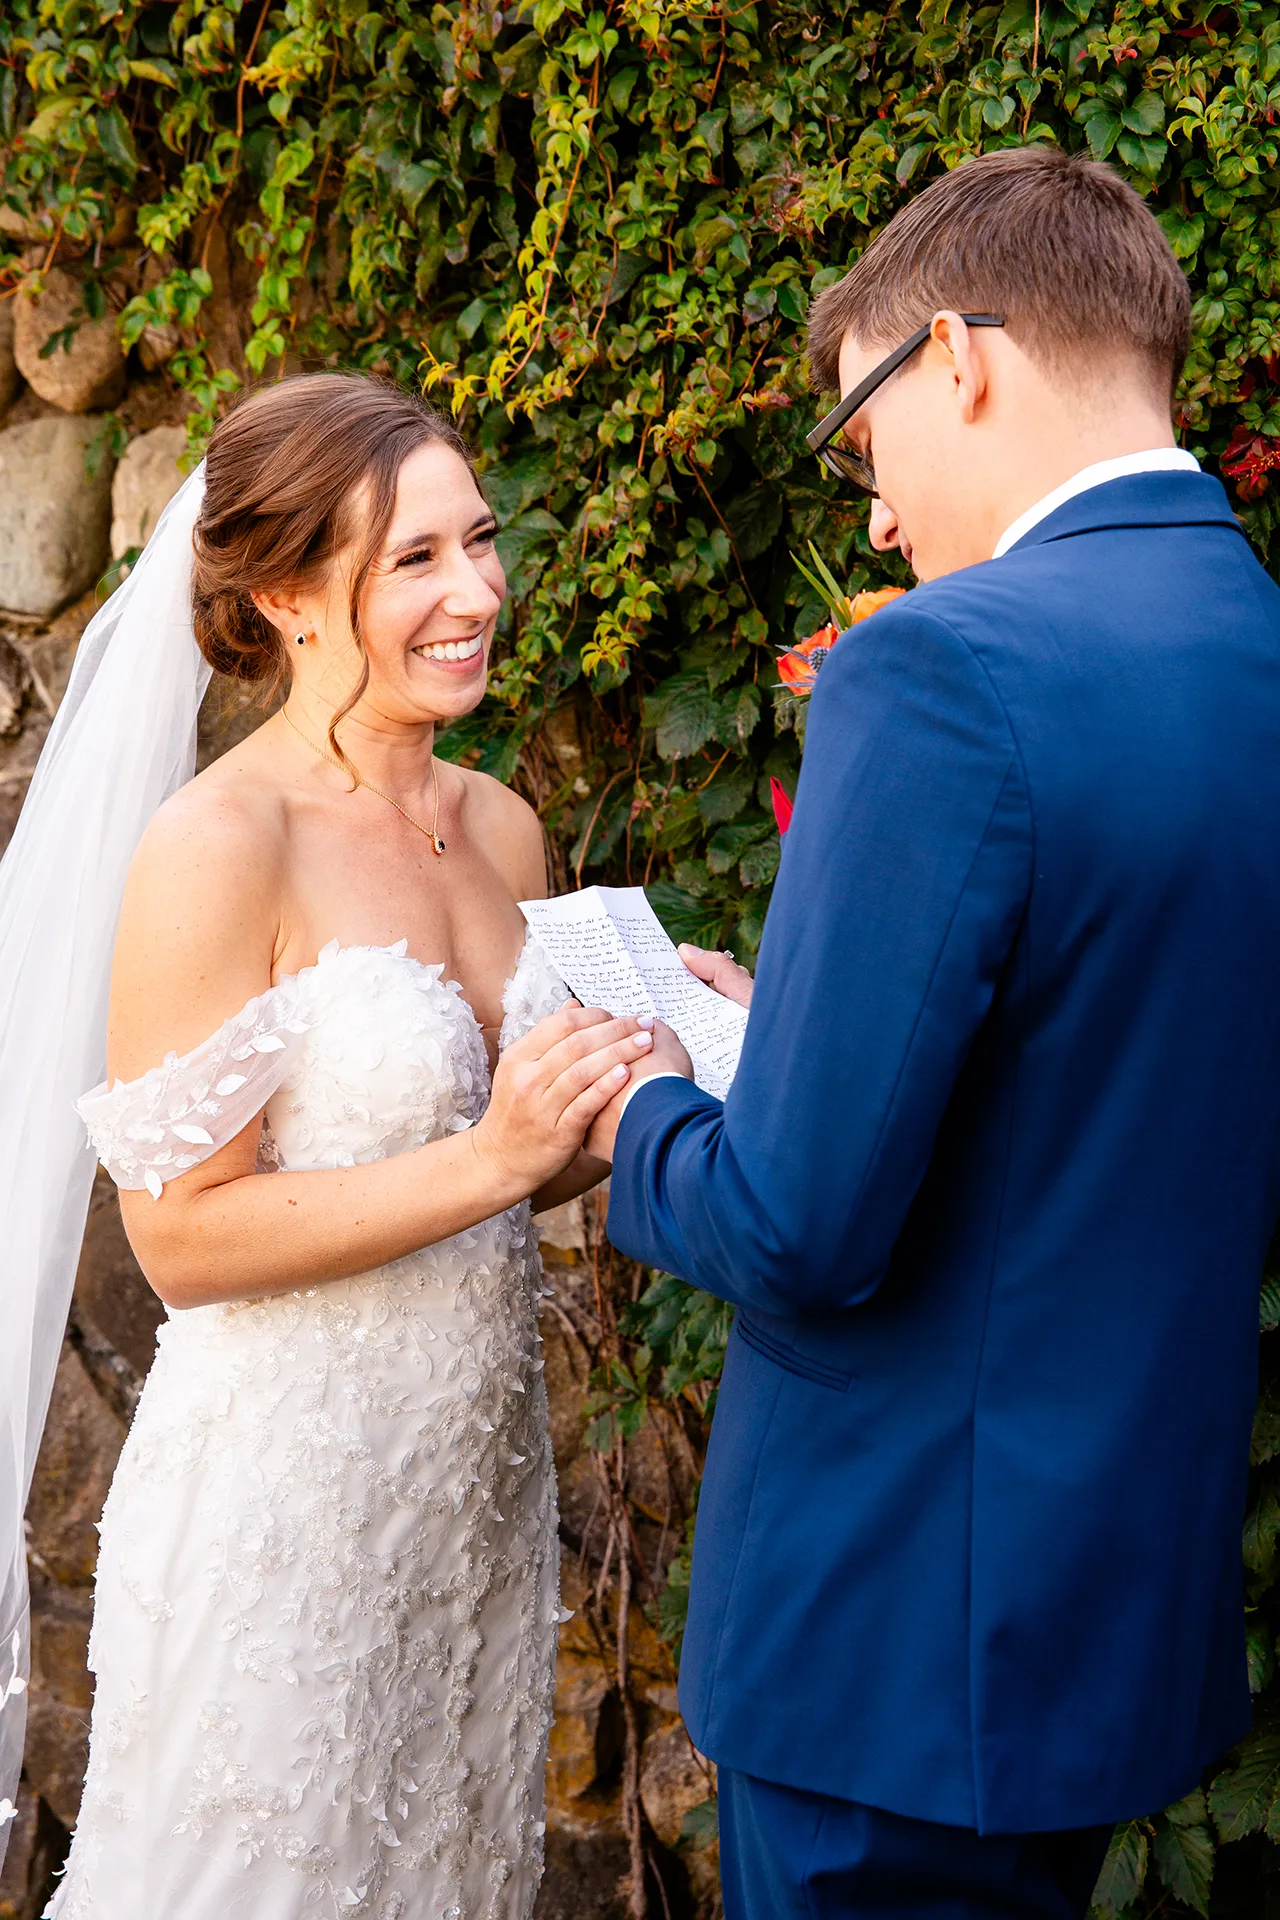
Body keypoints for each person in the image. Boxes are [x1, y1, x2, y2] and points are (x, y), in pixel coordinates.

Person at [588, 146, 1280, 1918]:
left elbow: (796, 1224)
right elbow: (1107, 1067)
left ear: (957, 361)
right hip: (1112, 1601)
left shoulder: (948, 664)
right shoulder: (1246, 631)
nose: (879, 516)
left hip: (897, 1638)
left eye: (863, 439)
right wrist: (799, 1025)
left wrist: (649, 1108)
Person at [1, 373, 656, 1918]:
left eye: (479, 543)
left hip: (470, 1492)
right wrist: (498, 1163)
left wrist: (627, 1077)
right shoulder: (222, 845)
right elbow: (181, 1237)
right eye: (415, 561)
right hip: (285, 1510)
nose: (476, 591)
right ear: (290, 597)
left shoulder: (502, 827)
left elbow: (519, 1148)